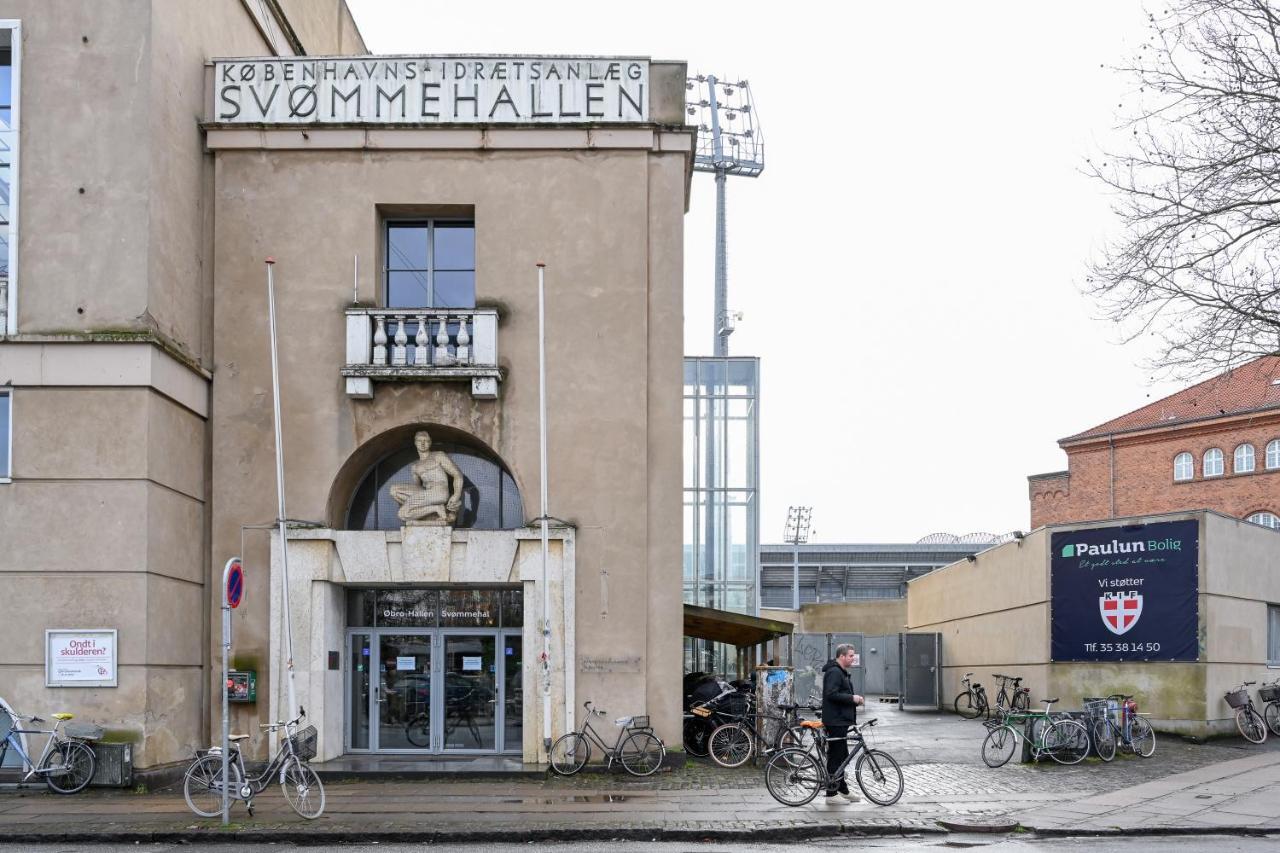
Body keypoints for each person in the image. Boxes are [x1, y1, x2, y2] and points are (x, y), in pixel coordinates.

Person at [821, 643, 865, 801]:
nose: (853, 658)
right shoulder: (834, 672)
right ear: (842, 656)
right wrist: (852, 698)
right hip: (835, 720)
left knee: (842, 755)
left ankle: (842, 789)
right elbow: (831, 694)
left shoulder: (840, 672)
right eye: (851, 656)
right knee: (836, 756)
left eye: (853, 655)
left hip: (840, 720)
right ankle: (831, 794)